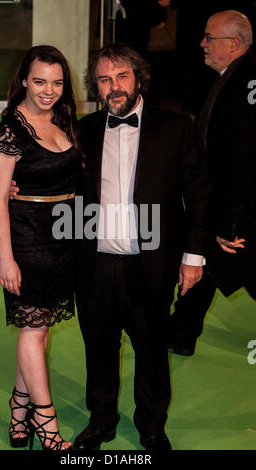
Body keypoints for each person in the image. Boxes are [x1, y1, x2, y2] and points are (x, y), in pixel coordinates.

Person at [72, 43, 211, 450]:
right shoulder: (84, 129)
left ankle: (151, 425)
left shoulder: (176, 126)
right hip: (95, 261)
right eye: (103, 79)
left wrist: (194, 256)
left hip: (150, 261)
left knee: (151, 348)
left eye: (121, 76)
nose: (113, 86)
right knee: (98, 348)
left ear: (138, 79)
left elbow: (199, 195)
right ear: (95, 86)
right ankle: (101, 421)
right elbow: (62, 188)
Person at [0, 45, 82, 450]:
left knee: (38, 332)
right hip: (27, 240)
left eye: (57, 82)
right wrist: (6, 258)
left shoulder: (63, 119)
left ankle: (18, 408)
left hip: (64, 237)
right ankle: (47, 422)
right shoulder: (10, 130)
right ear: (24, 79)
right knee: (32, 329)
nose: (49, 90)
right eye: (40, 81)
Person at [167, 10, 256, 357]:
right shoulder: (231, 78)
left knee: (224, 264)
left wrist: (230, 221)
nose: (202, 43)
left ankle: (179, 332)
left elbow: (246, 160)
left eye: (209, 38)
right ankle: (179, 333)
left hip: (239, 211)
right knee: (203, 264)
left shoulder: (247, 85)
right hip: (223, 204)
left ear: (233, 44)